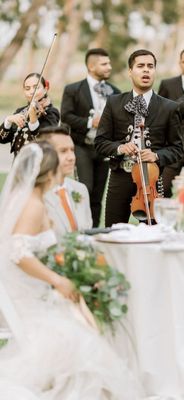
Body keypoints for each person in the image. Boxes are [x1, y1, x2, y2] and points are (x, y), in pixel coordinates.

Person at [0, 141, 138, 399]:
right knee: (86, 341)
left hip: (36, 288)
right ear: (49, 173)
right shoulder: (34, 205)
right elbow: (18, 254)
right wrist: (58, 281)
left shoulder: (28, 200)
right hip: (32, 296)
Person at [95, 49, 183, 227]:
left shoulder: (170, 108)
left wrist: (156, 156)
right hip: (120, 176)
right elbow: (100, 142)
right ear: (130, 71)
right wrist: (120, 148)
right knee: (113, 232)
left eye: (150, 66)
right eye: (140, 66)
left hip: (153, 181)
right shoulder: (113, 103)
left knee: (155, 235)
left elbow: (177, 148)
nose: (146, 70)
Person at [60, 48, 121, 227]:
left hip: (103, 149)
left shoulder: (115, 91)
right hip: (81, 146)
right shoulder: (73, 89)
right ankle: (79, 228)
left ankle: (94, 233)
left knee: (98, 196)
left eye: (109, 63)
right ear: (91, 66)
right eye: (104, 64)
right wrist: (90, 122)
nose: (109, 67)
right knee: (85, 189)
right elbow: (66, 116)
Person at [37, 125, 92, 239]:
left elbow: (87, 232)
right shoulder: (35, 195)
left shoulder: (81, 189)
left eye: (72, 150)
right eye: (63, 151)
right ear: (46, 154)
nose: (71, 157)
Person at [0, 72, 60, 156]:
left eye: (36, 88)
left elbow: (44, 139)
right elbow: (2, 139)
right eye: (27, 88)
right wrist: (8, 121)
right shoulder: (20, 111)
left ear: (45, 89)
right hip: (18, 164)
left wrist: (33, 117)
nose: (32, 91)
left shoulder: (51, 112)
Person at [158, 50, 184, 197]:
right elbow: (160, 114)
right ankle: (161, 219)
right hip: (173, 148)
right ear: (180, 63)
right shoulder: (167, 84)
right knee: (163, 189)